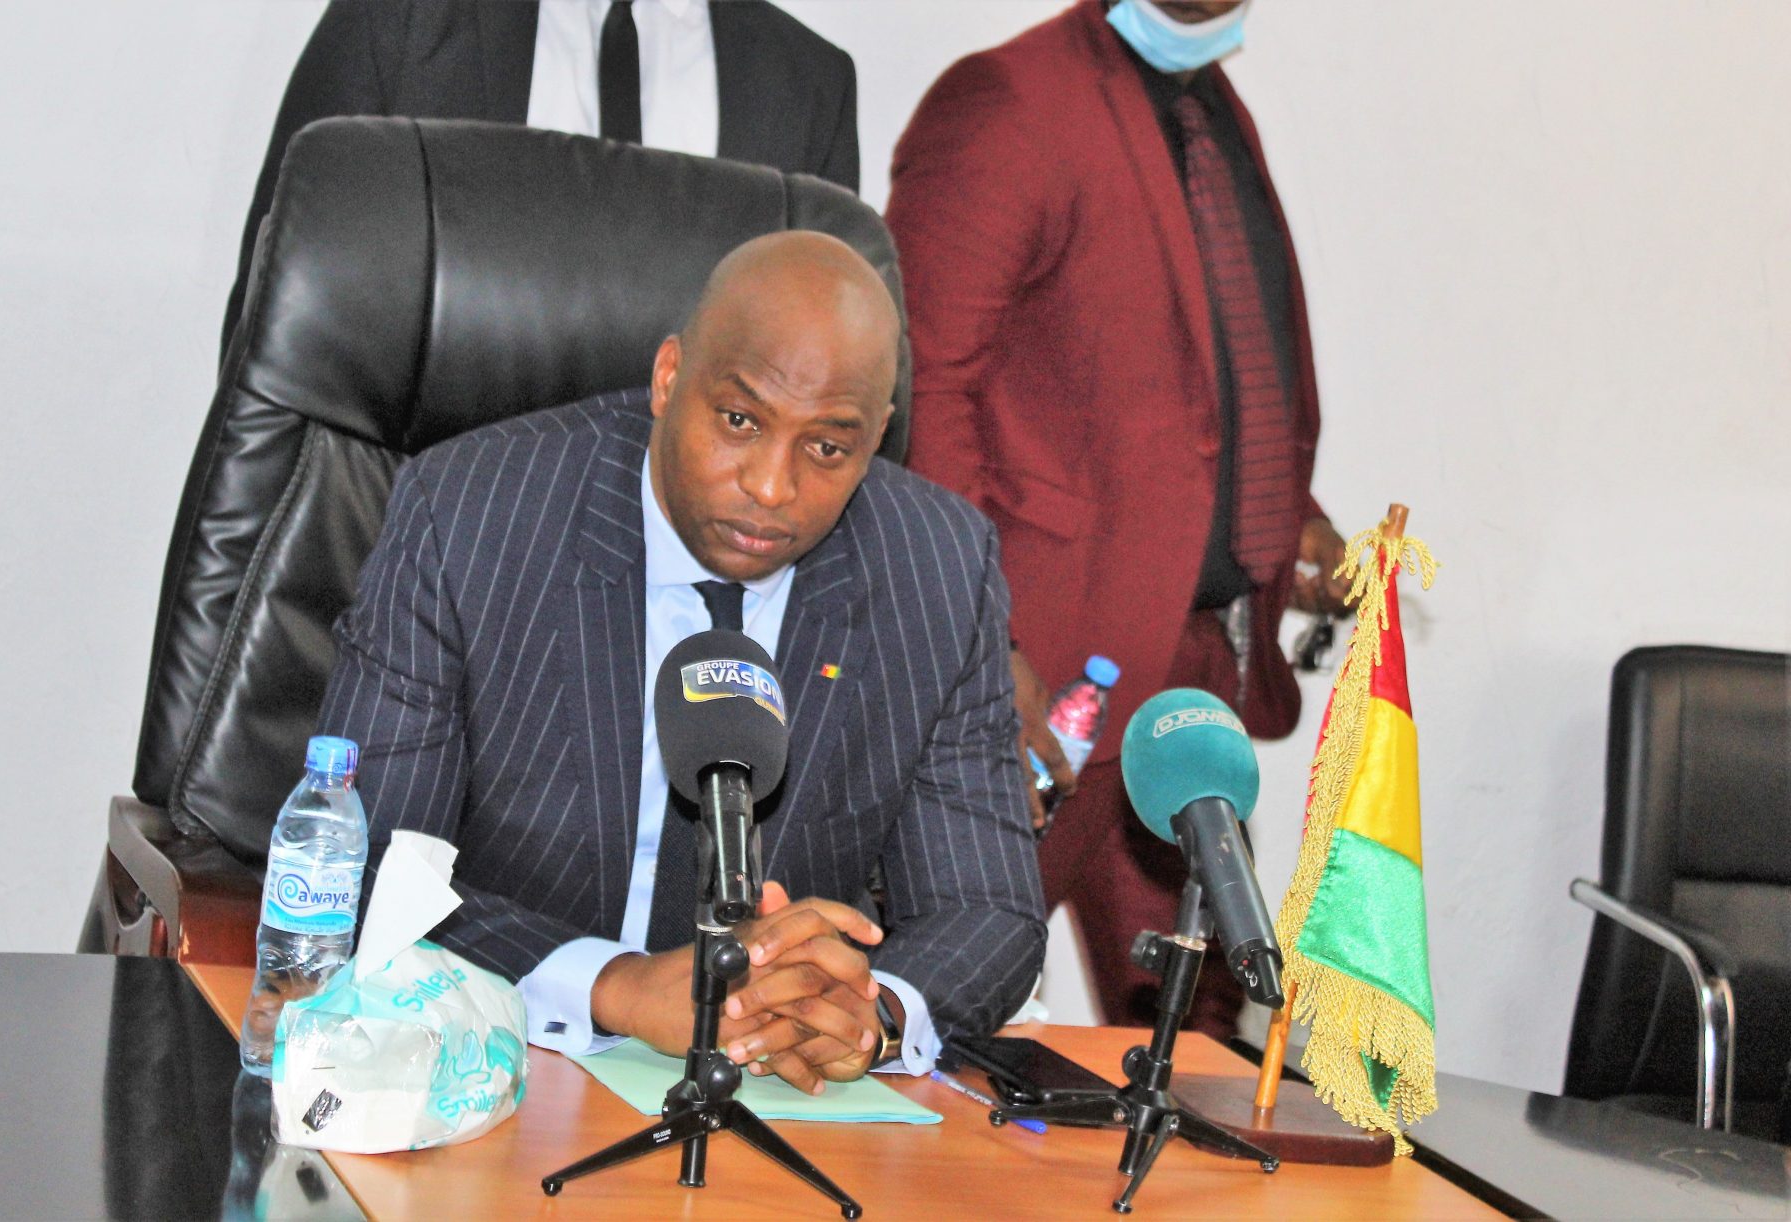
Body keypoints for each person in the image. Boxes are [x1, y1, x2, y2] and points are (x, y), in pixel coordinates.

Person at [319, 232, 1045, 1093]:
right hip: (493, 1057)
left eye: (827, 448)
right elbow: (363, 860)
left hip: (771, 1090)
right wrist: (616, 987)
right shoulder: (471, 516)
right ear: (668, 379)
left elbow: (988, 910)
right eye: (740, 421)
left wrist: (868, 1013)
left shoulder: (939, 569)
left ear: (877, 437)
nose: (771, 487)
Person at [886, 0, 1352, 1038]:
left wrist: (1287, 520)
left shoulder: (1209, 106)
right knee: (929, 1016)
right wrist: (980, 639)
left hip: (1187, 683)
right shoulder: (1007, 100)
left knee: (1195, 1041)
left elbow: (1198, 373)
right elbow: (921, 386)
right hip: (1037, 681)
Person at [222, 0, 859, 352]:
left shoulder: (810, 85)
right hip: (426, 533)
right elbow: (275, 338)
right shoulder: (400, 23)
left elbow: (811, 371)